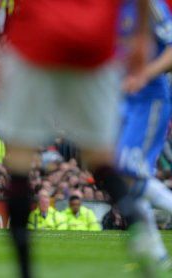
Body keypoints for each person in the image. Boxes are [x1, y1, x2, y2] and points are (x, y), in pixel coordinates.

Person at [0, 0, 150, 277]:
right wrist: (141, 36)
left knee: (18, 161)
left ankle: (25, 269)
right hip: (95, 46)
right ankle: (139, 227)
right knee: (99, 158)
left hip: (36, 41)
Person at [116, 0, 172, 269]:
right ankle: (158, 254)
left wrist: (144, 74)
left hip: (150, 100)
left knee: (127, 169)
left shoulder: (150, 5)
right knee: (129, 176)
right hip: (124, 101)